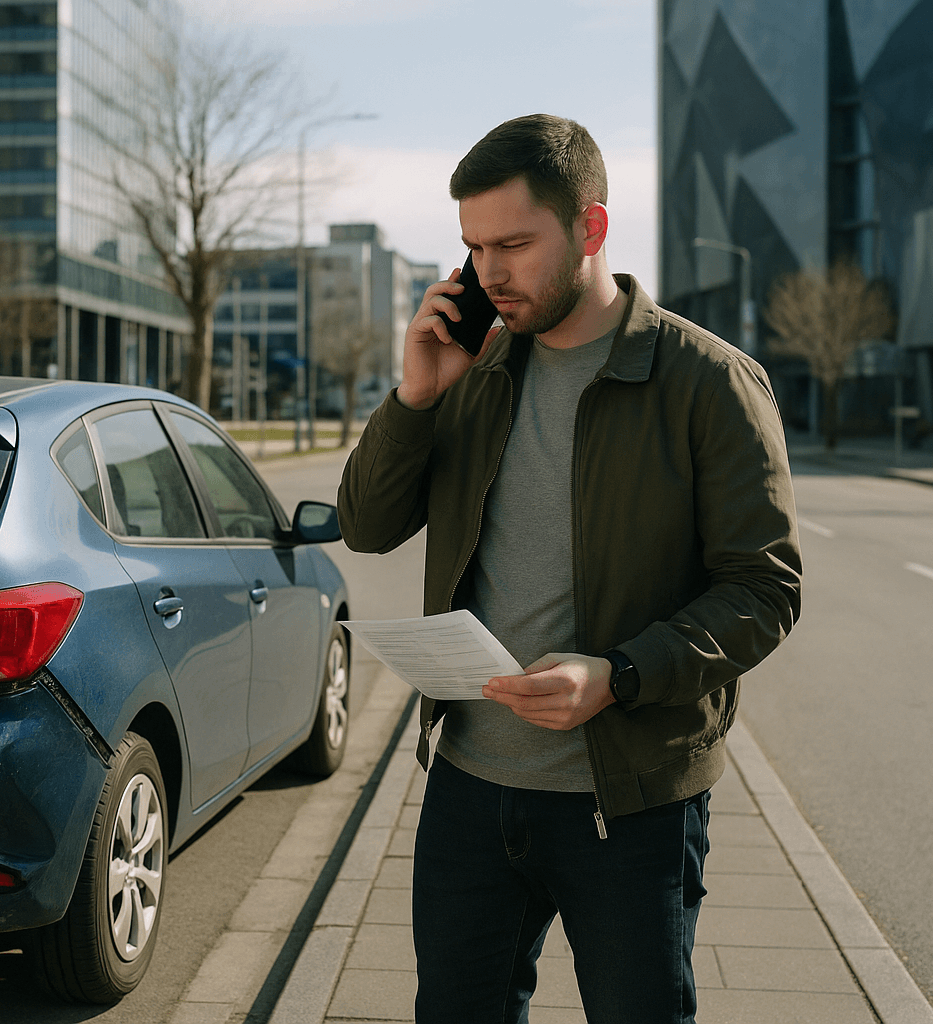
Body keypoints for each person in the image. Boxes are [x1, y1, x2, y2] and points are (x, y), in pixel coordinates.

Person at [337, 114, 802, 1024]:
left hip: (627, 805)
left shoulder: (708, 383)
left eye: (514, 243)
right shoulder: (472, 368)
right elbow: (366, 524)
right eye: (474, 247)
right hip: (470, 794)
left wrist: (620, 674)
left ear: (590, 229)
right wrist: (416, 396)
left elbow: (765, 589)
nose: (489, 274)